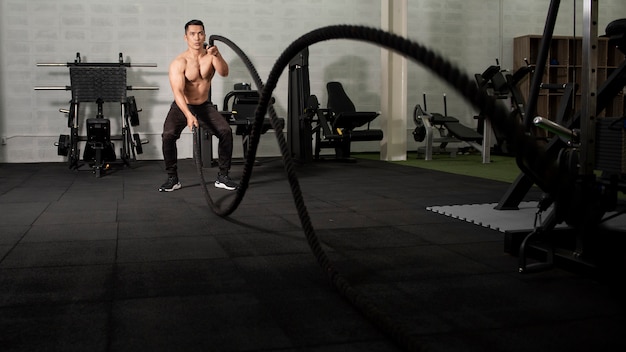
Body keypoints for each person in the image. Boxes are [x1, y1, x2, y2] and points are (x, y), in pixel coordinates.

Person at [159, 19, 238, 192]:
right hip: (182, 106)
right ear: (185, 37)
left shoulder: (211, 56)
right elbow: (178, 92)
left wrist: (218, 55)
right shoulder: (179, 62)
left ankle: (223, 177)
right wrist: (188, 114)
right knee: (168, 135)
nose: (197, 37)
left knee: (225, 131)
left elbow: (224, 73)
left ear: (204, 35)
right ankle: (173, 179)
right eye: (192, 34)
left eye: (200, 33)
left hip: (204, 105)